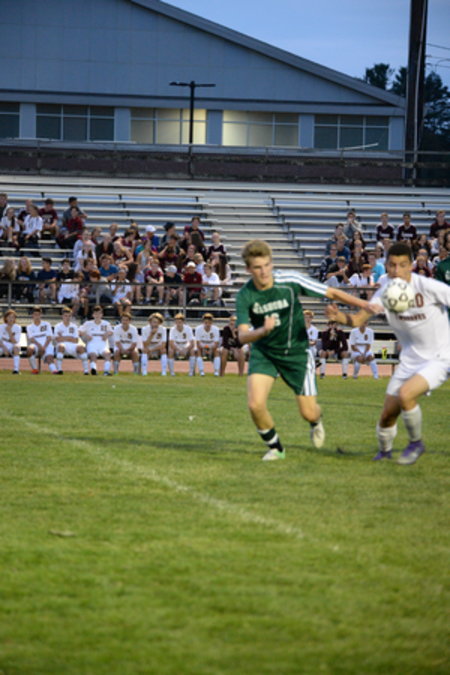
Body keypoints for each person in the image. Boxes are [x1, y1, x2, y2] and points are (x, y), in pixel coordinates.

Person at [236, 240, 372, 461]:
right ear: (248, 269)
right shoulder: (245, 295)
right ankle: (276, 449)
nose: (264, 271)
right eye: (257, 267)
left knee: (308, 412)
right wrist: (262, 330)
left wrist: (364, 305)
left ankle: (316, 421)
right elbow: (242, 336)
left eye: (267, 265)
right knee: (255, 404)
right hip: (265, 353)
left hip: (297, 354)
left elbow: (331, 292)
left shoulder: (290, 280)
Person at [326, 242, 450, 465]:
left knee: (406, 394)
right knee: (387, 415)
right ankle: (384, 453)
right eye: (392, 265)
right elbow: (358, 320)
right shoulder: (386, 291)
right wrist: (339, 317)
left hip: (439, 357)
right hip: (409, 360)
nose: (396, 270)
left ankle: (416, 443)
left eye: (402, 265)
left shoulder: (429, 287)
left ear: (411, 266)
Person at [54, 307, 89, 375]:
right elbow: (58, 339)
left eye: (69, 316)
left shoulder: (74, 326)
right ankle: (59, 370)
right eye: (66, 316)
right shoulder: (58, 326)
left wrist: (64, 337)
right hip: (62, 345)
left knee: (81, 347)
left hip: (73, 345)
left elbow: (76, 340)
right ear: (62, 316)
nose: (67, 318)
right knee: (61, 346)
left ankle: (86, 371)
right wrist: (69, 338)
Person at [79, 305, 113, 375]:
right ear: (93, 315)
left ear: (102, 315)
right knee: (93, 355)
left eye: (99, 313)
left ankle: (106, 371)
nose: (97, 315)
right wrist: (85, 335)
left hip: (102, 343)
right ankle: (93, 369)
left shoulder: (106, 323)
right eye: (96, 314)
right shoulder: (88, 323)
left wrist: (107, 334)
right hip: (92, 343)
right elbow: (79, 331)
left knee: (107, 354)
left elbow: (111, 332)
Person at [26, 306, 57, 374]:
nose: (37, 316)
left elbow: (49, 337)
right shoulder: (29, 327)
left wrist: (44, 347)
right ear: (32, 315)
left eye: (38, 315)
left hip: (47, 344)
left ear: (41, 315)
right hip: (36, 345)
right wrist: (40, 346)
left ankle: (54, 371)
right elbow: (32, 339)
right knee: (29, 350)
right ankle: (35, 369)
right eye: (35, 314)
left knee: (49, 358)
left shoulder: (47, 324)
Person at [0, 309, 21, 374]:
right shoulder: (1, 326)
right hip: (2, 345)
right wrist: (4, 348)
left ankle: (16, 370)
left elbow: (15, 341)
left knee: (16, 348)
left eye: (12, 317)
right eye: (9, 317)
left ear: (15, 319)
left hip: (12, 345)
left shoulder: (18, 327)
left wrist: (9, 331)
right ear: (6, 318)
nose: (11, 319)